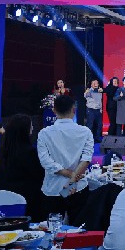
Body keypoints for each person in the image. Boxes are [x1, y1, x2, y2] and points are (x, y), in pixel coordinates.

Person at [36, 95, 93, 224]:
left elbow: (46, 162)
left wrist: (70, 176)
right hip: (78, 187)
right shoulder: (85, 132)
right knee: (78, 229)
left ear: (54, 110)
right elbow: (86, 159)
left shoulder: (44, 133)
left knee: (52, 230)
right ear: (74, 109)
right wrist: (72, 179)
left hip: (53, 188)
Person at [0, 114, 45, 221]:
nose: (32, 128)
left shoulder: (4, 150)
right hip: (29, 202)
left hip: (7, 200)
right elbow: (40, 175)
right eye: (30, 126)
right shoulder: (29, 152)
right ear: (25, 130)